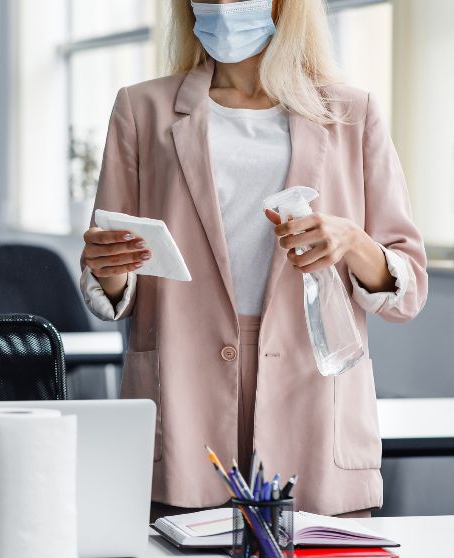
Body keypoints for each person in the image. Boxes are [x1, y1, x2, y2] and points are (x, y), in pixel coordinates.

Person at [80, 0, 427, 520]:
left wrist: (351, 241)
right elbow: (110, 286)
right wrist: (108, 271)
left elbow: (409, 290)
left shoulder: (353, 113)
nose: (221, 5)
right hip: (181, 384)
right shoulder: (140, 109)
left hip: (313, 388)